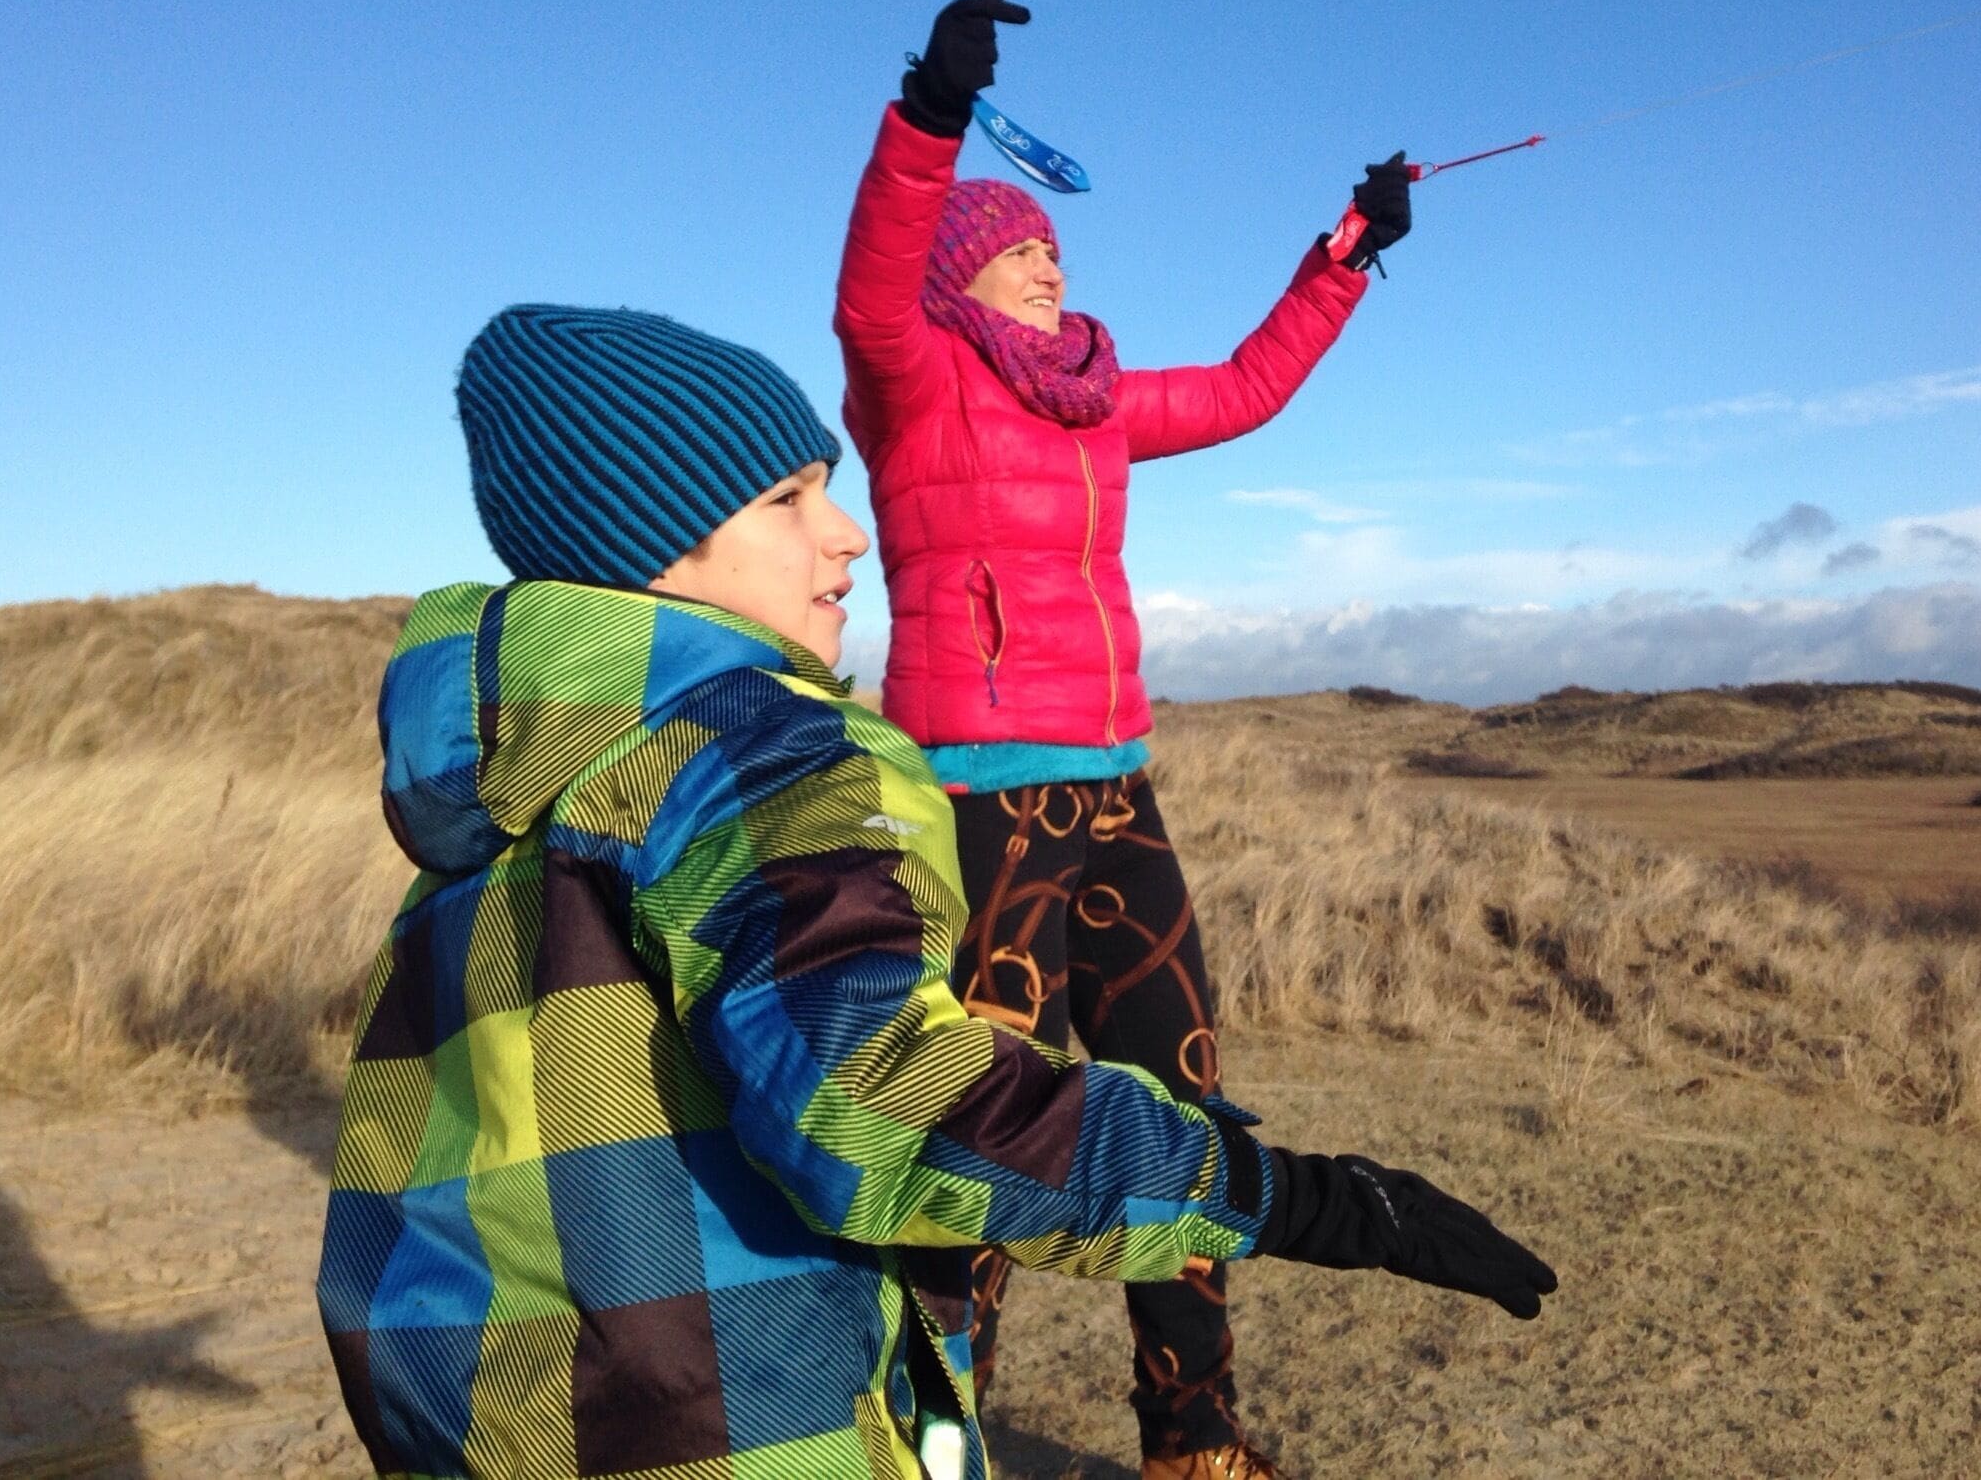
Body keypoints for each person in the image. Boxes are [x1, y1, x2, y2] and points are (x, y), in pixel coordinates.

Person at [317, 303, 1553, 1480]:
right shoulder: (761, 749)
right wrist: (1290, 1196)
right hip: (746, 1420)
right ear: (653, 543)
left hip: (511, 1422)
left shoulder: (494, 816)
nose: (845, 532)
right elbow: (880, 1096)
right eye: (790, 497)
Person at [835, 0, 1417, 1477]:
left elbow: (1243, 388)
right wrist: (929, 115)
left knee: (1187, 1110)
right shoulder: (912, 384)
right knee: (977, 1148)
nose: (1054, 266)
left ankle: (1195, 1444)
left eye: (1059, 250)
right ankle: (935, 1453)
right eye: (1027, 252)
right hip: (979, 797)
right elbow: (871, 286)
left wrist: (1346, 251)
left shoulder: (1098, 404)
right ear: (970, 273)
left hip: (1116, 790)